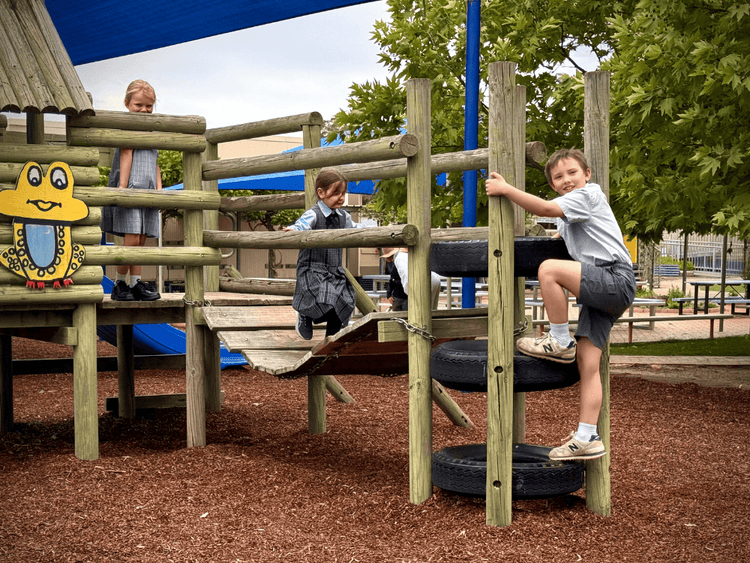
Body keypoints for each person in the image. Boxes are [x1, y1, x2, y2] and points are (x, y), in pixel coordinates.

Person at [485, 148, 636, 461]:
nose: (567, 180)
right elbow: (571, 229)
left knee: (549, 269)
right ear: (553, 184)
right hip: (606, 290)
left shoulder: (589, 195)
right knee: (588, 363)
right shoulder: (571, 215)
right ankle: (587, 437)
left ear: (587, 175)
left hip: (613, 278)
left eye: (572, 173)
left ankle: (558, 338)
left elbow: (543, 207)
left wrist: (505, 189)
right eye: (558, 177)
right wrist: (557, 237)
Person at [284, 168, 364, 340]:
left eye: (344, 193)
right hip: (313, 270)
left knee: (345, 301)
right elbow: (301, 225)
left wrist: (378, 230)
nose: (341, 197)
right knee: (326, 297)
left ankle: (331, 341)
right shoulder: (314, 214)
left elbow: (356, 229)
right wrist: (294, 230)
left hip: (334, 271)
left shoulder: (343, 217)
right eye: (336, 193)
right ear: (321, 193)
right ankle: (306, 314)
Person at [101, 79, 162, 302]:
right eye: (139, 105)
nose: (144, 110)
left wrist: (159, 189)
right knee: (131, 238)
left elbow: (155, 160)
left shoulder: (154, 129)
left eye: (149, 106)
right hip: (132, 186)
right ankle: (120, 282)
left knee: (142, 238)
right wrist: (123, 189)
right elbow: (126, 155)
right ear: (127, 103)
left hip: (148, 190)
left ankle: (136, 282)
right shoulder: (127, 126)